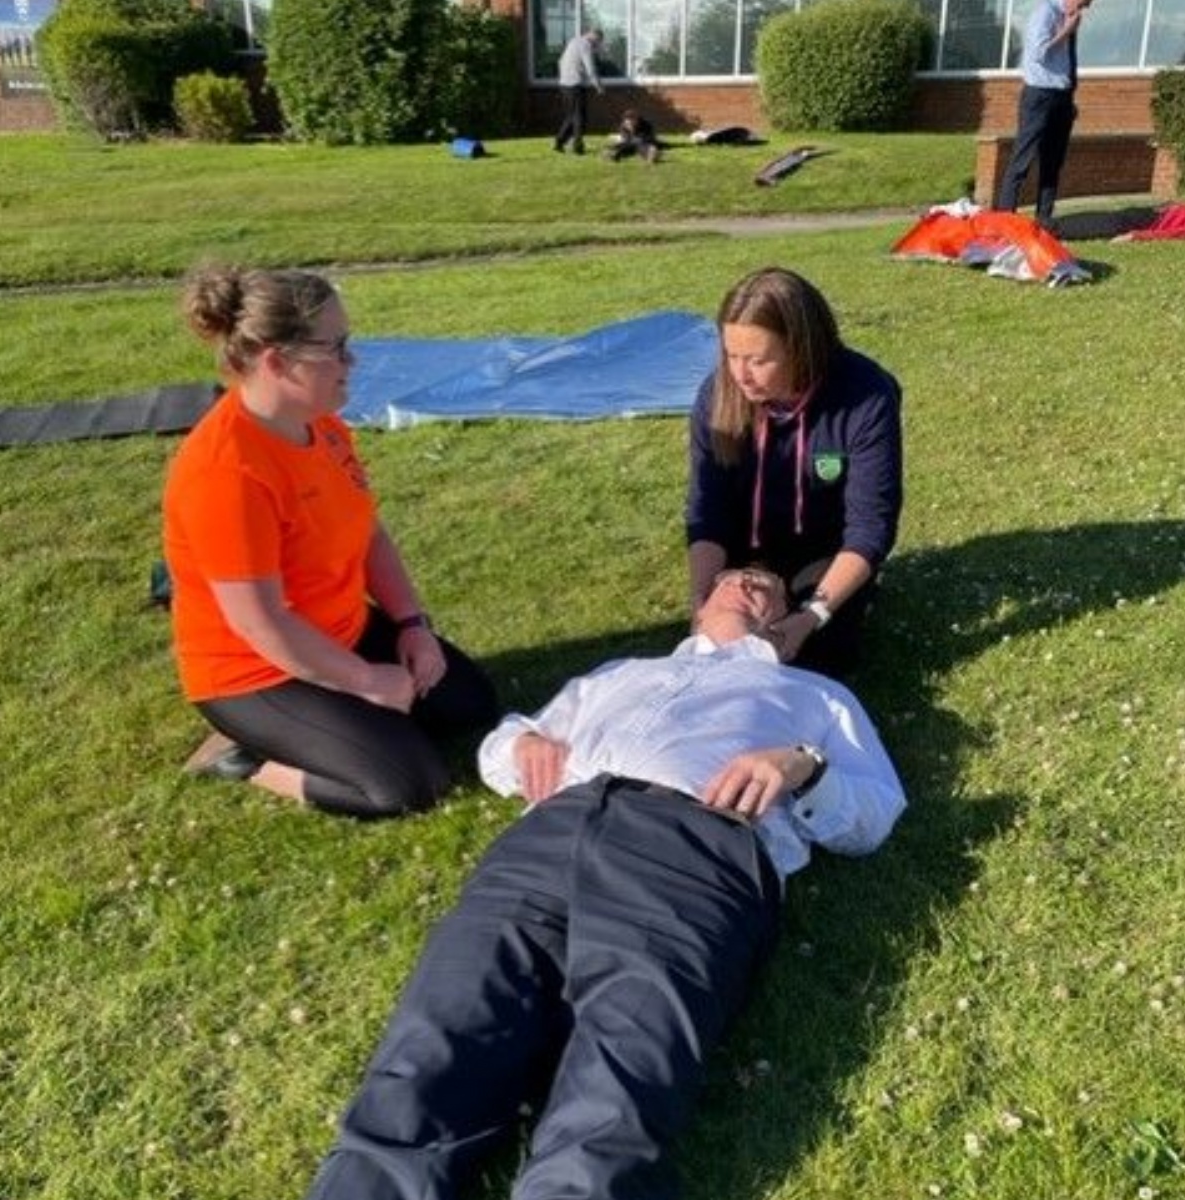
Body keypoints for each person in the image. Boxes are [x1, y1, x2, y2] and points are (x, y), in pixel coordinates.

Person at [303, 567, 906, 1200]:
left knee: (618, 1086)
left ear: (782, 618)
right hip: (547, 840)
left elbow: (874, 815)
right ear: (701, 605)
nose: (748, 584)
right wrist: (521, 746)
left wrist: (802, 767)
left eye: (766, 585)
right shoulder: (617, 674)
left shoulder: (813, 695)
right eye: (733, 577)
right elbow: (503, 743)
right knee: (430, 1048)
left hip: (693, 848)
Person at [163, 265, 498, 818]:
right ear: (276, 361)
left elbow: (366, 531)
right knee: (409, 784)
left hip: (340, 631)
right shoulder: (226, 472)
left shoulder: (320, 424)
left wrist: (413, 625)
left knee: (471, 705)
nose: (352, 361)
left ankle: (341, 716)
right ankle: (247, 758)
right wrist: (365, 681)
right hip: (254, 671)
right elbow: (260, 623)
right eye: (336, 347)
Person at [686, 267, 903, 678]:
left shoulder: (866, 396)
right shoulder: (716, 396)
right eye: (731, 355)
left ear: (802, 349)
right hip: (742, 547)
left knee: (811, 659)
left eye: (759, 360)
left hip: (823, 552)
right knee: (719, 642)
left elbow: (870, 527)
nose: (741, 375)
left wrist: (812, 615)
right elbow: (707, 513)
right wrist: (701, 600)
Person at [995, 0, 1094, 230]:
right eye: (1082, 4)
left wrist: (1069, 97)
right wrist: (1066, 31)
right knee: (1023, 158)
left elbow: (1065, 64)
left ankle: (1044, 219)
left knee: (1053, 162)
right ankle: (1003, 219)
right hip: (1039, 96)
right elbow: (1039, 52)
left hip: (1062, 97)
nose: (1082, 11)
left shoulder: (1069, 17)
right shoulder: (1045, 13)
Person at [553, 28, 604, 156]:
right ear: (593, 36)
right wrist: (598, 86)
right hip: (575, 84)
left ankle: (559, 142)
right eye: (597, 41)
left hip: (564, 84)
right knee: (579, 117)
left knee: (571, 115)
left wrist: (563, 76)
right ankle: (577, 147)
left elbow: (560, 61)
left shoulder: (573, 42)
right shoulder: (585, 45)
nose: (596, 45)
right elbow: (590, 68)